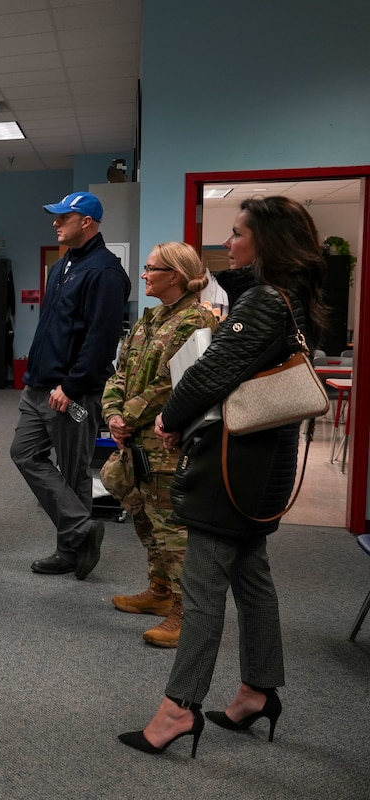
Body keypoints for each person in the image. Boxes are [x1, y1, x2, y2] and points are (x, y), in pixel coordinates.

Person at [119, 196, 327, 756]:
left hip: (234, 464)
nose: (228, 243)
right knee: (252, 577)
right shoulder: (294, 298)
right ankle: (257, 690)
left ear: (266, 241)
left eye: (237, 233)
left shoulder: (263, 301)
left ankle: (178, 709)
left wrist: (169, 418)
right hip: (264, 466)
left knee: (203, 585)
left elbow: (212, 371)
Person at [101, 243, 217, 647]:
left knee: (172, 528)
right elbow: (119, 372)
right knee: (144, 516)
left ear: (176, 275)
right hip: (135, 440)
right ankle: (160, 591)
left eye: (151, 269)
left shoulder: (196, 319)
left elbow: (175, 382)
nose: (144, 275)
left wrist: (128, 417)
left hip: (168, 443)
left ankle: (186, 613)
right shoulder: (148, 319)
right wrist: (112, 413)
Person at [11, 191, 130, 579]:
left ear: (87, 222)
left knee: (73, 471)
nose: (56, 222)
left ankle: (70, 552)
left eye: (64, 217)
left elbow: (100, 340)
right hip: (38, 385)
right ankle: (81, 529)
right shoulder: (63, 265)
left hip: (71, 391)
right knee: (24, 453)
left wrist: (73, 386)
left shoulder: (105, 272)